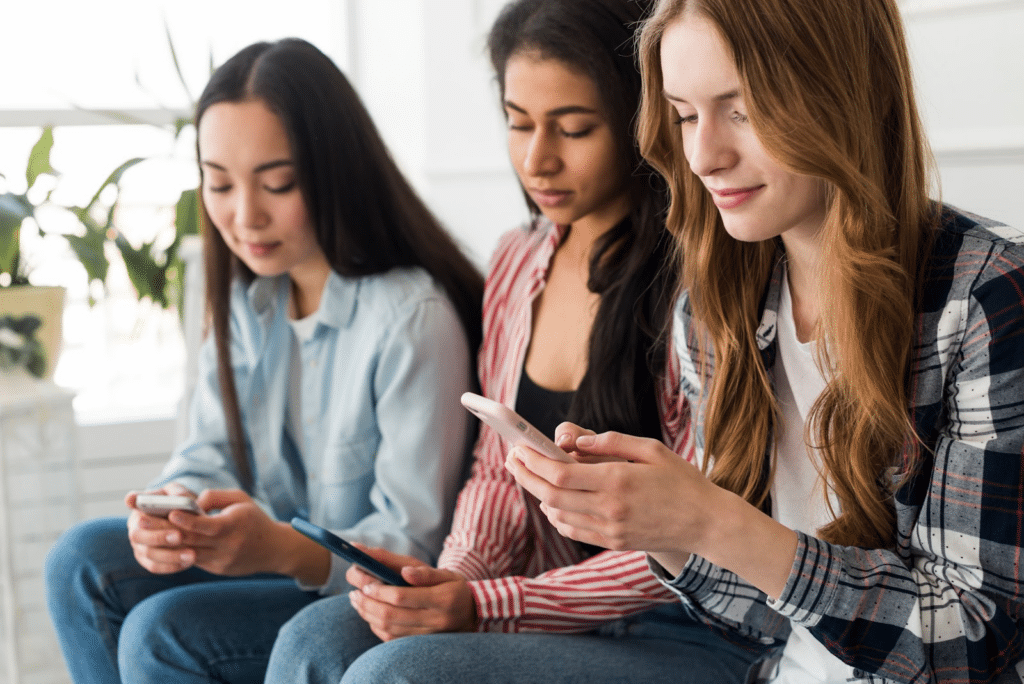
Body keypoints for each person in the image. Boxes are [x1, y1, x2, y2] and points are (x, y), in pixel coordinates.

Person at [509, 0, 1024, 682]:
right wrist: (665, 530)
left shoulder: (985, 298)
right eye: (685, 115)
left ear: (841, 95)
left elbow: (976, 639)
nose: (703, 155)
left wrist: (714, 521)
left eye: (743, 110)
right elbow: (759, 619)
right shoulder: (715, 305)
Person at [269, 1, 764, 683]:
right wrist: (449, 581)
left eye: (574, 128)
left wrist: (490, 604)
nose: (538, 159)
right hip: (539, 606)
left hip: (682, 625)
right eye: (518, 122)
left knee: (399, 673)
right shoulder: (518, 258)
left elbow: (694, 535)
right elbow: (497, 474)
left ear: (637, 118)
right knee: (315, 639)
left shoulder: (702, 275)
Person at [44, 38, 483, 684]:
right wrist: (174, 508)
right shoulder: (249, 295)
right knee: (79, 561)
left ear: (333, 171)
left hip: (364, 596)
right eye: (218, 183)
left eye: (277, 184)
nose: (244, 216)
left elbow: (409, 551)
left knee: (161, 634)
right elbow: (206, 452)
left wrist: (278, 548)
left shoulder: (410, 319)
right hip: (275, 563)